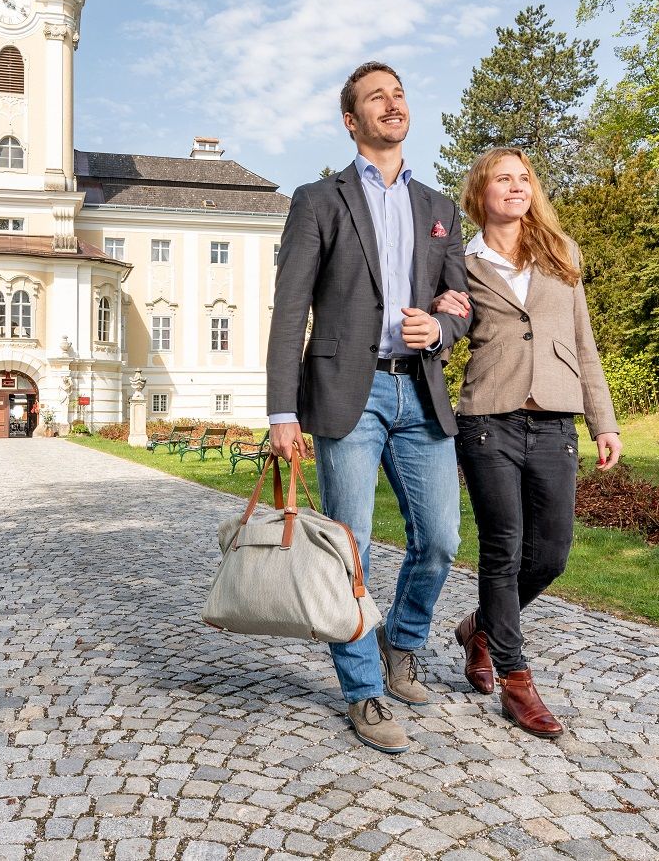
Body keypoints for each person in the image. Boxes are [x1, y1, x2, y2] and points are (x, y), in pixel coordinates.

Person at [266, 61, 471, 753]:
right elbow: (290, 306)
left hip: (419, 387)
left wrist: (439, 328)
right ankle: (363, 691)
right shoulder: (319, 199)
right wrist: (281, 413)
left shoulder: (441, 208)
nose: (393, 102)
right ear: (352, 120)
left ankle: (401, 640)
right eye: (376, 96)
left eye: (400, 92)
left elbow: (459, 300)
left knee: (441, 537)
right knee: (347, 545)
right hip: (345, 394)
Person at [441, 147, 622, 737]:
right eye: (503, 179)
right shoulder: (459, 260)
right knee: (502, 548)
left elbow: (583, 339)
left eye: (523, 179)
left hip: (554, 420)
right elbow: (443, 335)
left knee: (551, 553)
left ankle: (480, 627)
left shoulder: (561, 253)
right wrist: (440, 314)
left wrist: (604, 420)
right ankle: (516, 681)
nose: (515, 188)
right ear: (480, 193)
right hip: (488, 419)